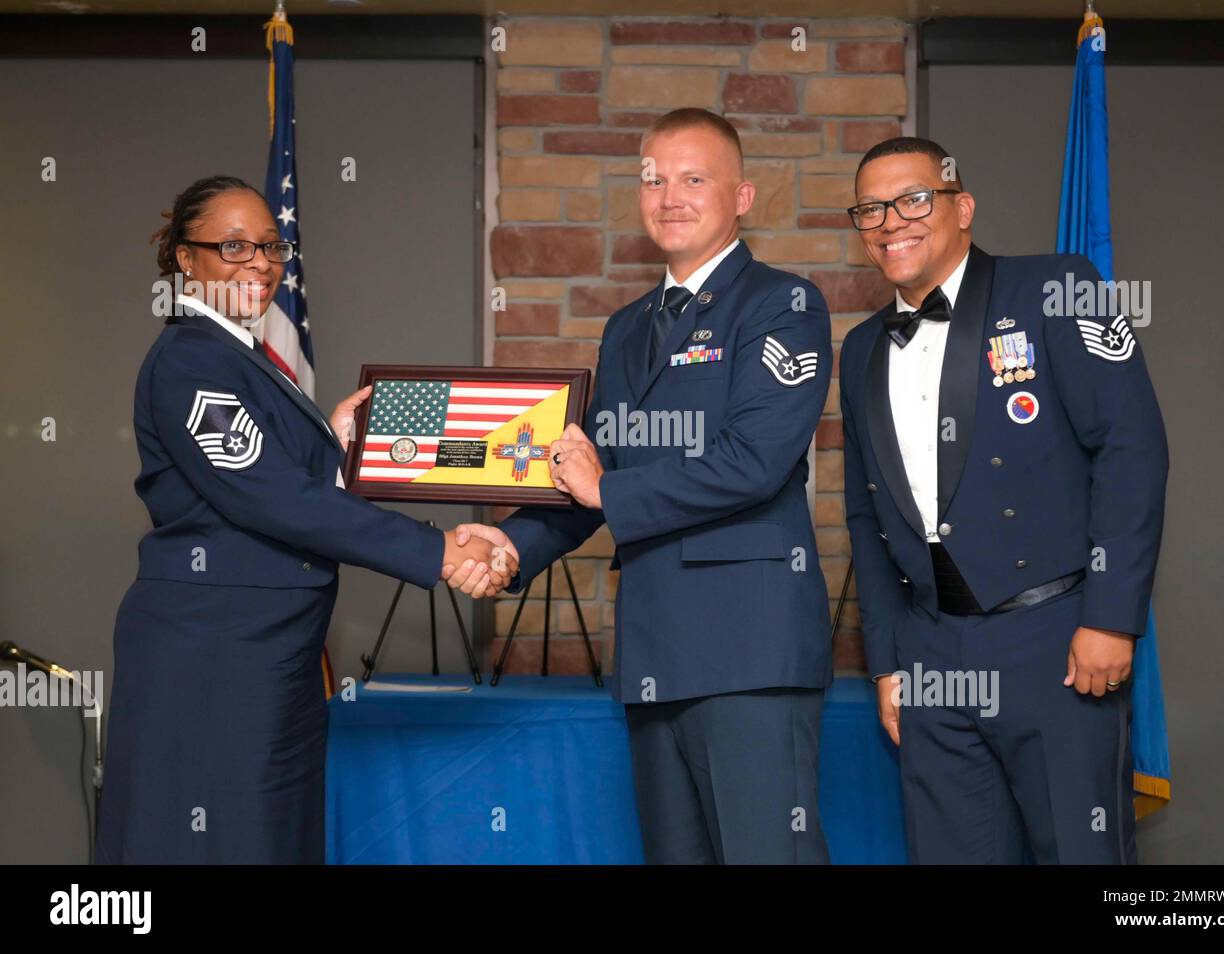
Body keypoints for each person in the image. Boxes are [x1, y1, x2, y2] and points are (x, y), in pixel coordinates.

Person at [448, 109, 833, 864]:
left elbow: (752, 461)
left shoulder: (783, 305)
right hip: (657, 651)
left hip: (748, 651)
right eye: (654, 179)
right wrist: (511, 543)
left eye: (695, 178)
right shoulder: (628, 326)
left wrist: (604, 493)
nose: (670, 196)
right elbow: (594, 470)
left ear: (743, 196)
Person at [96, 175, 513, 864]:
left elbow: (275, 486)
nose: (259, 263)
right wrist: (439, 551)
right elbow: (269, 497)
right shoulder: (192, 358)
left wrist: (334, 455)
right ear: (184, 260)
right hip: (214, 657)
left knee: (269, 838)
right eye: (233, 246)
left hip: (267, 653)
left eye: (270, 244)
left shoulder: (242, 354)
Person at [838, 138, 1168, 863]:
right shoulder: (859, 347)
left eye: (914, 199)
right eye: (870, 209)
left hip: (1054, 639)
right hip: (928, 650)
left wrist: (1112, 618)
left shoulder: (1057, 286)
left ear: (962, 207)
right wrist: (888, 662)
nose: (891, 221)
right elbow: (867, 517)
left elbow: (1131, 450)